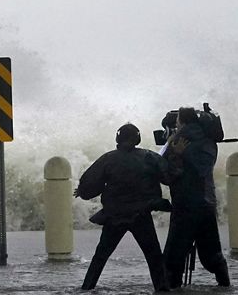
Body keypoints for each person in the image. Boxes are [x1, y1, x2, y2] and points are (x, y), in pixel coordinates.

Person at [74, 123, 174, 292]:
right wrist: (176, 154)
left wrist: (82, 192)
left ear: (118, 139)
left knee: (101, 256)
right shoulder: (149, 157)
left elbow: (90, 184)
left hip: (115, 216)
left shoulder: (108, 158)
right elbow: (169, 177)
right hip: (141, 215)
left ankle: (86, 288)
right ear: (138, 138)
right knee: (154, 256)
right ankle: (162, 289)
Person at [163, 107, 230, 288]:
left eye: (177, 122)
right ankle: (225, 285)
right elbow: (202, 169)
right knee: (212, 253)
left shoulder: (177, 141)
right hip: (207, 204)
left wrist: (174, 154)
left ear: (182, 122)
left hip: (185, 205)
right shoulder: (209, 142)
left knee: (173, 257)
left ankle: (174, 289)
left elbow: (167, 175)